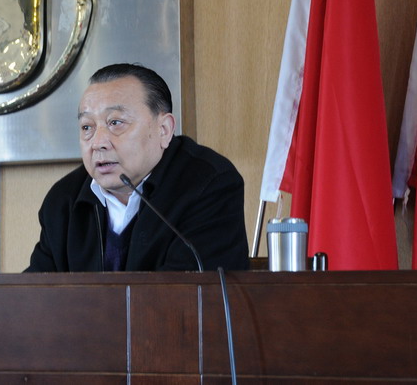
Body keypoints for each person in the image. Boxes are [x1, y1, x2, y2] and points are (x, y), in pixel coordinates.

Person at [25, 63, 249, 272]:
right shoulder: (63, 200)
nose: (98, 142)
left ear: (164, 129)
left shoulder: (208, 184)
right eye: (87, 127)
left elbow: (190, 294)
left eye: (115, 123)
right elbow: (35, 292)